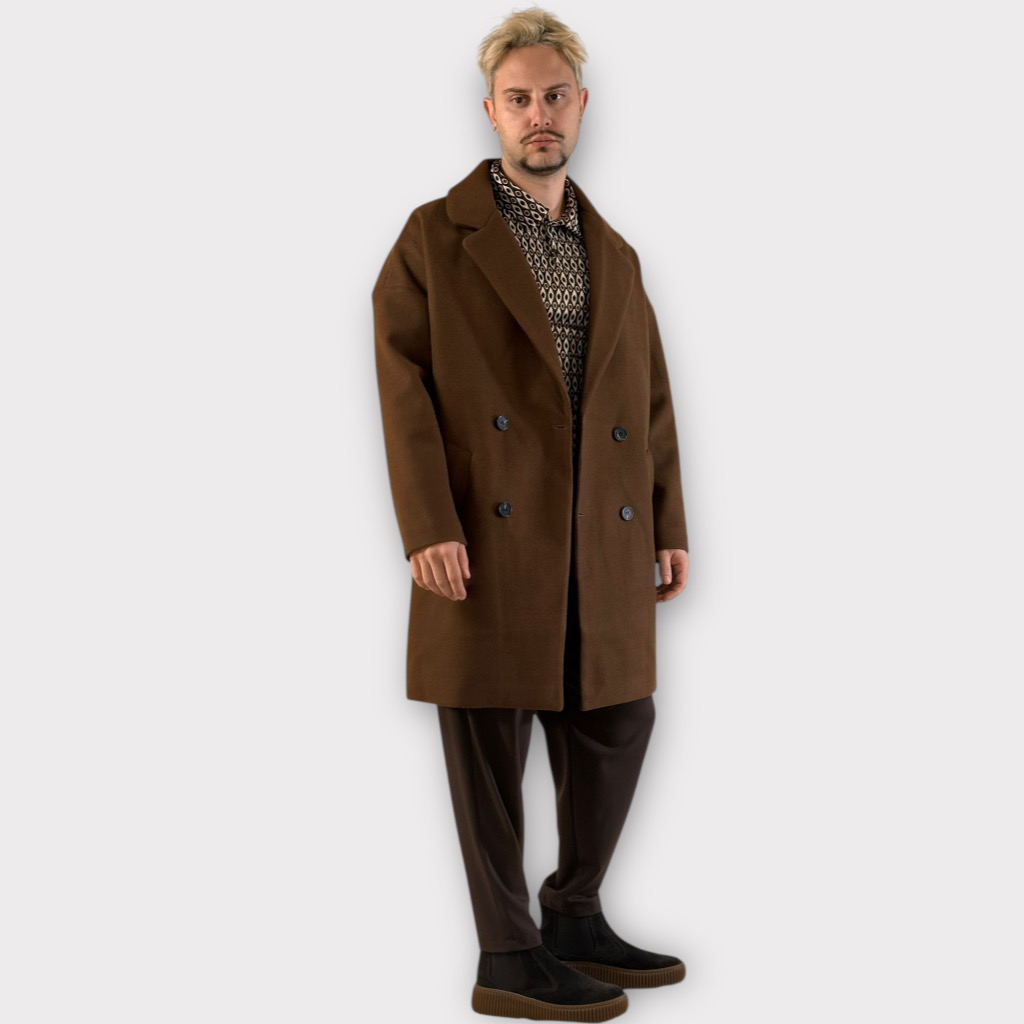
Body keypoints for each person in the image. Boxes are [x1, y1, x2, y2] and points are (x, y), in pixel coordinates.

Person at [373, 9, 690, 1020]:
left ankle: (574, 912)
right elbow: (402, 386)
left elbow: (648, 398)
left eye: (554, 96)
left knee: (619, 716)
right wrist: (427, 522)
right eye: (519, 99)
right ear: (491, 112)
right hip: (484, 529)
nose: (537, 114)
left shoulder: (615, 251)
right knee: (489, 736)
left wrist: (668, 521)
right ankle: (507, 953)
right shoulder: (436, 236)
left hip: (599, 532)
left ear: (581, 106)